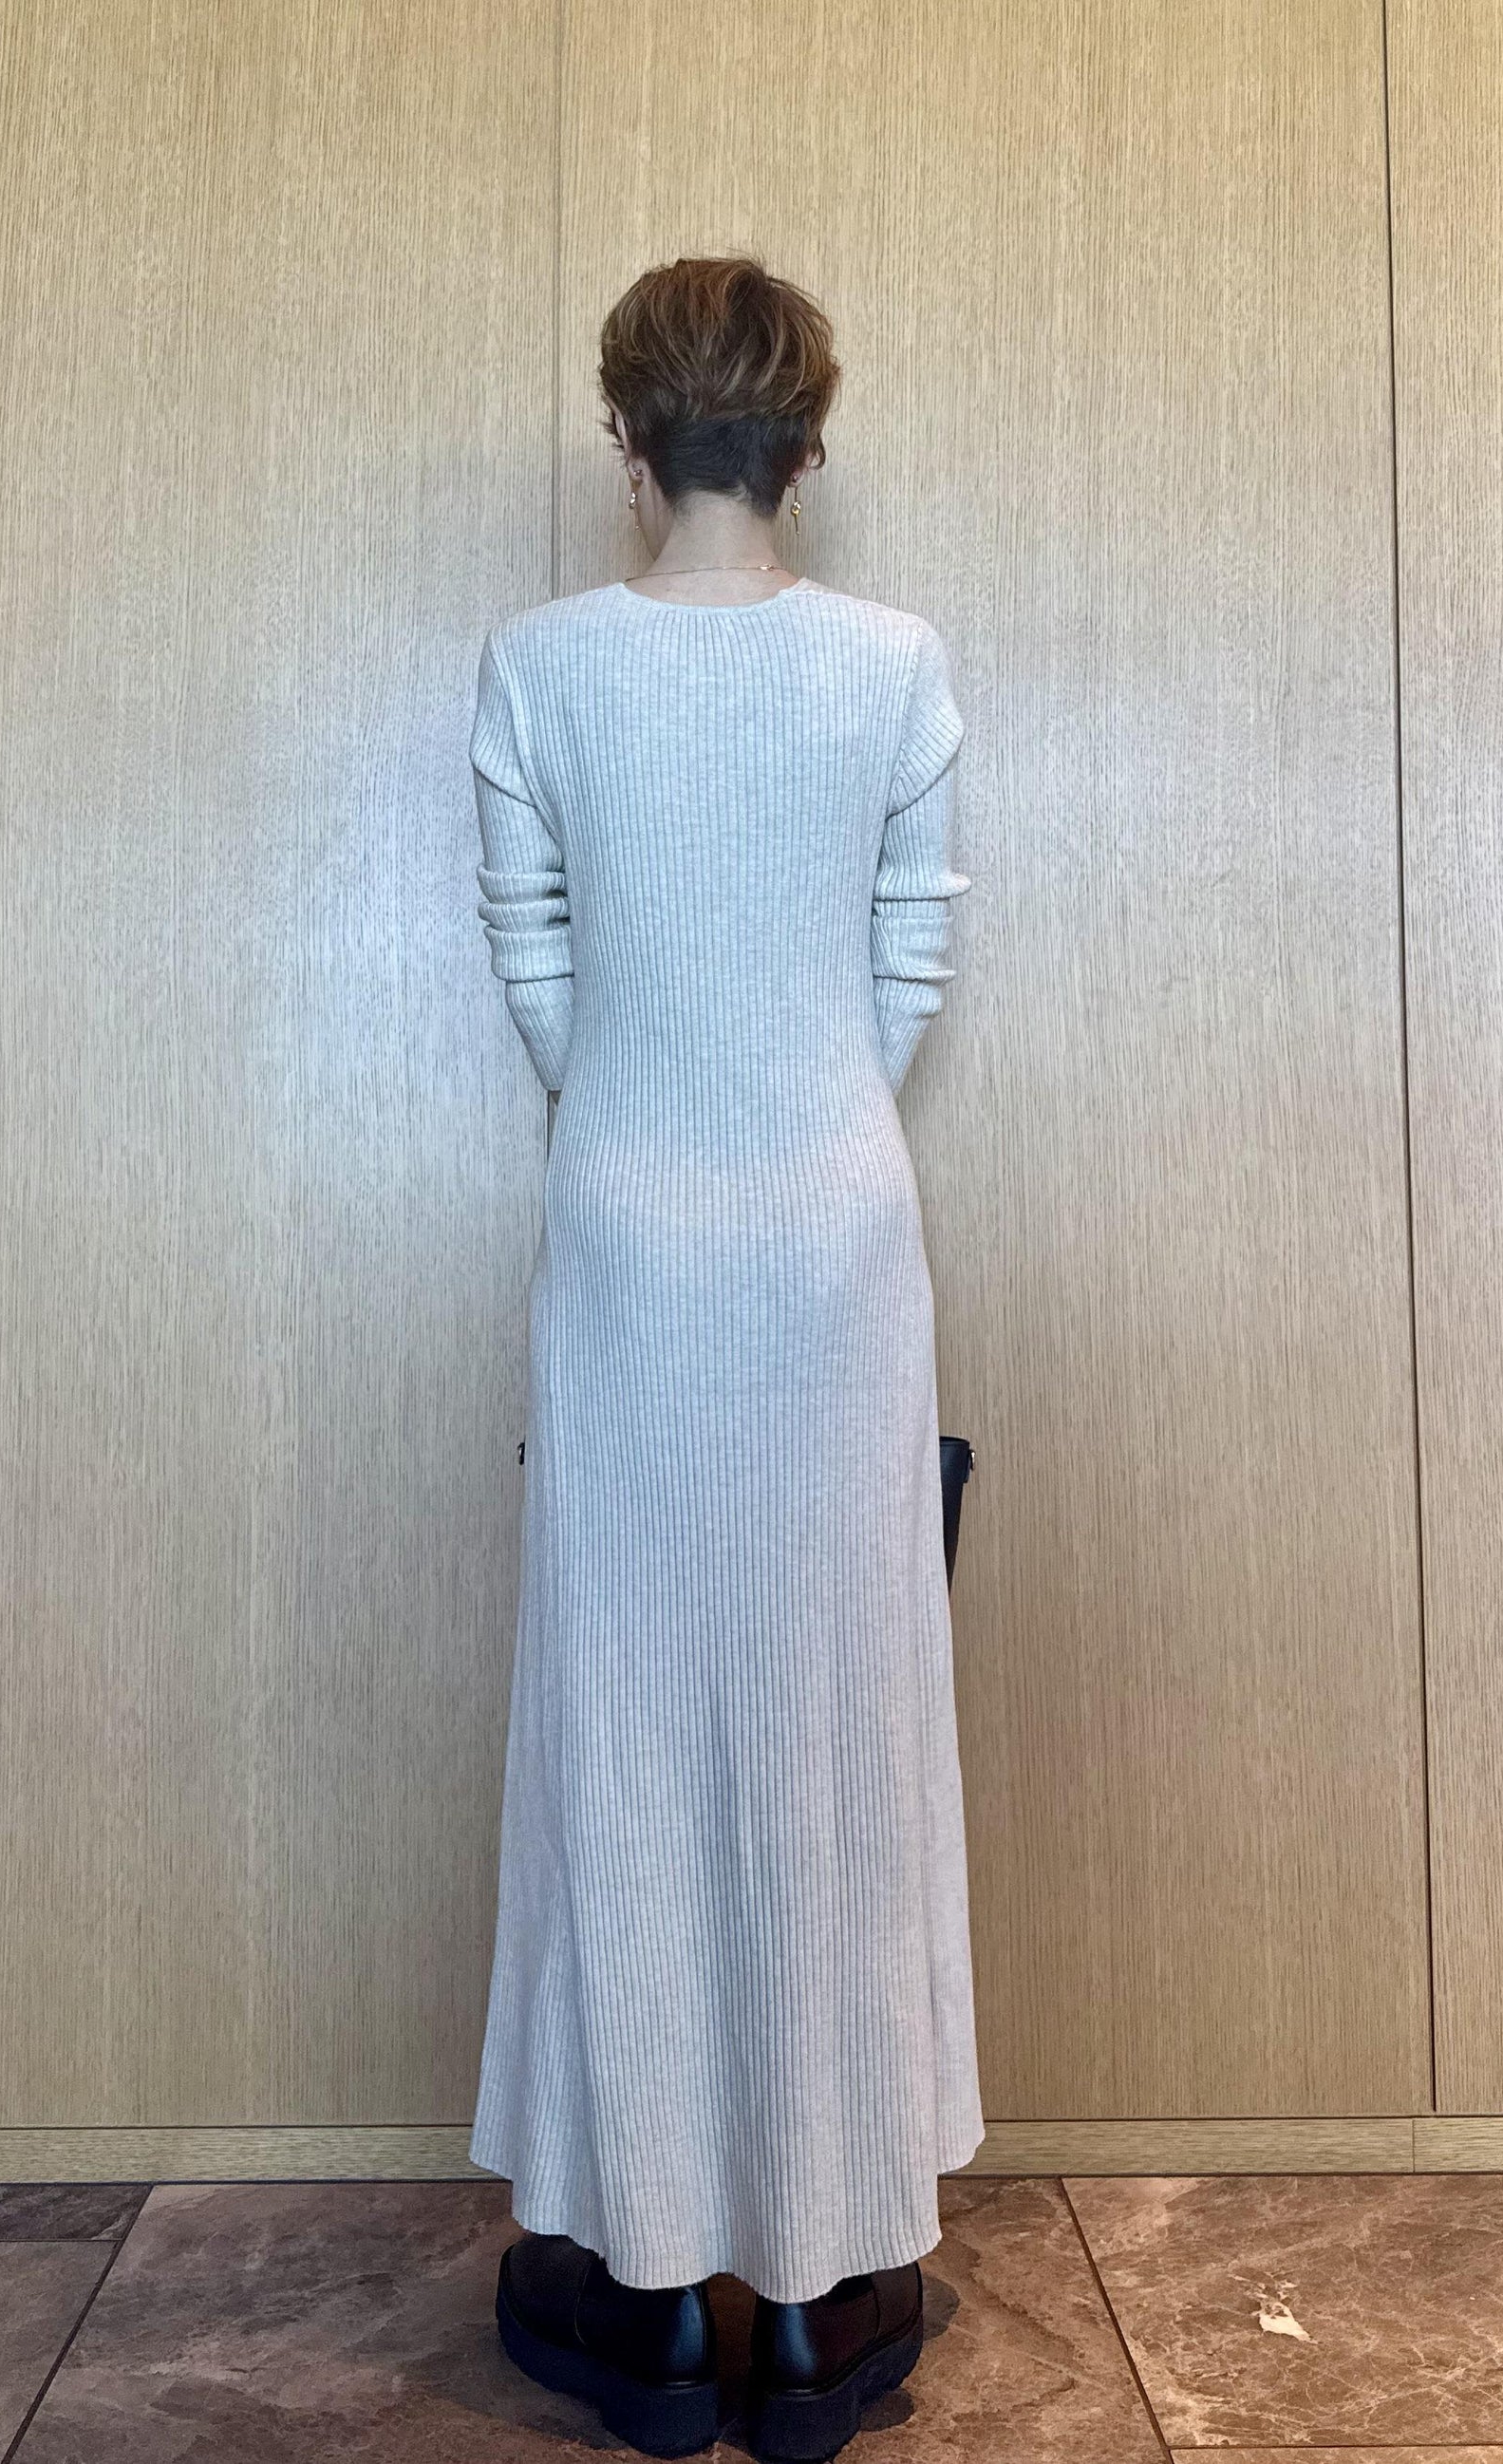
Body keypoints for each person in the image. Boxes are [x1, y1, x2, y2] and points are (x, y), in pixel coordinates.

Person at [468, 254, 984, 2463]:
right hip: (833, 1239)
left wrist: (641, 1113)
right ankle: (815, 2294)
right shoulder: (893, 663)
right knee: (832, 1716)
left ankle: (654, 2290)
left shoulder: (537, 664)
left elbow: (535, 956)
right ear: (807, 439)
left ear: (623, 437)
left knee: (626, 1710)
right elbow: (907, 952)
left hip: (627, 1230)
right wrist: (804, 1115)